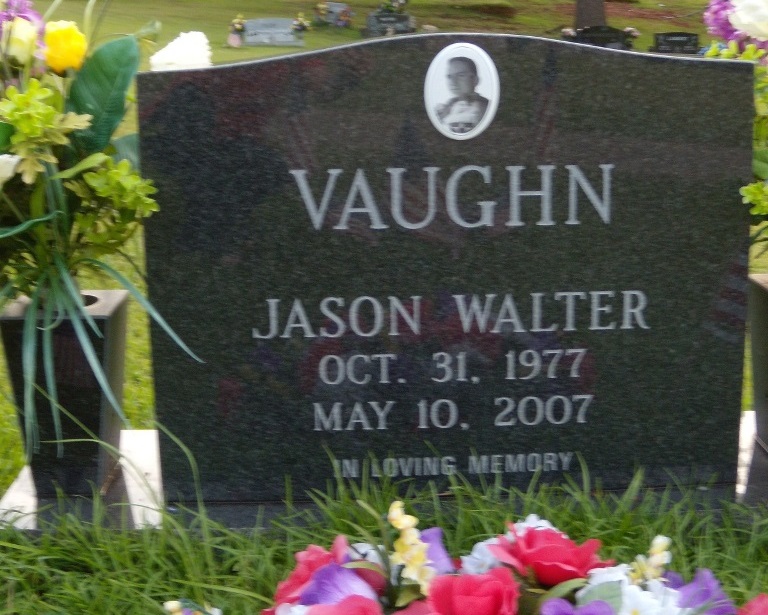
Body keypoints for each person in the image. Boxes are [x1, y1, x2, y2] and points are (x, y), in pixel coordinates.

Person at [435, 56, 489, 135]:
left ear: (475, 80)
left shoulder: (486, 107)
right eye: (450, 77)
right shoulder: (445, 109)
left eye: (461, 75)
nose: (453, 82)